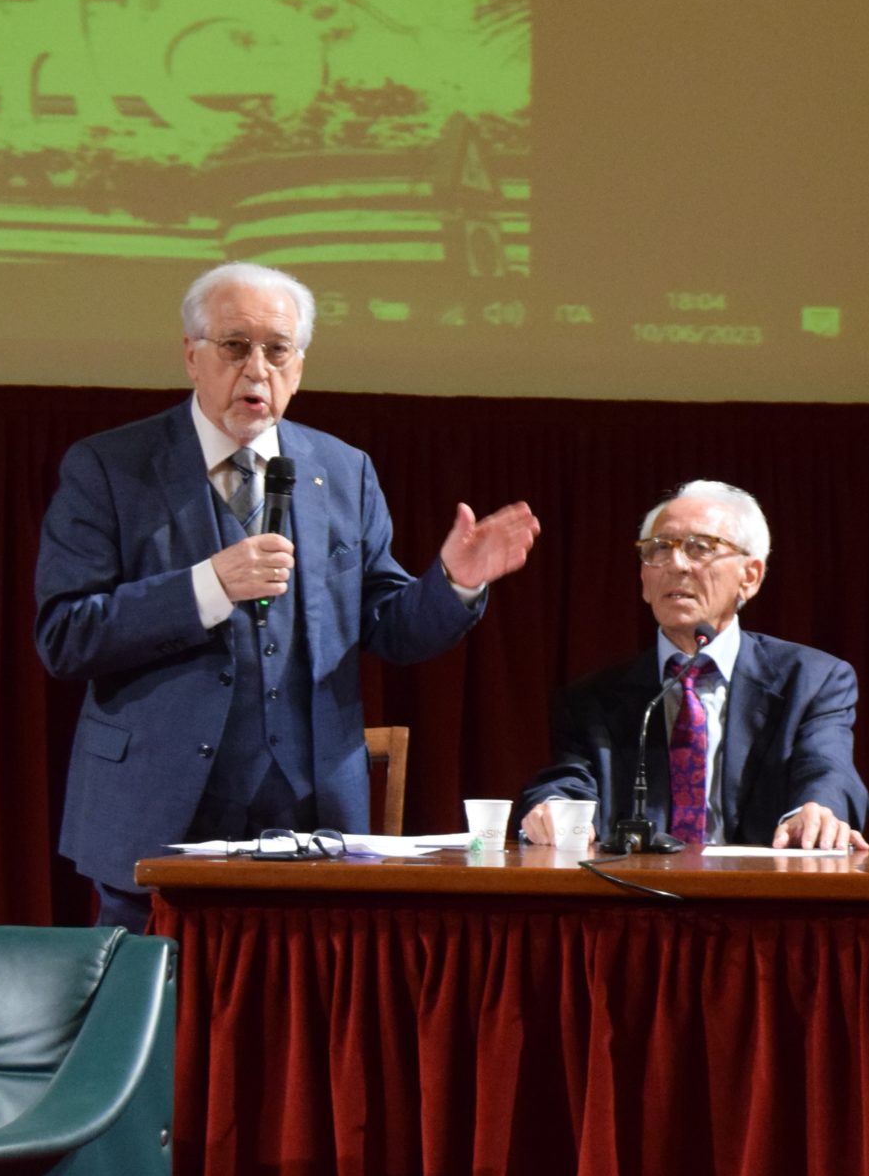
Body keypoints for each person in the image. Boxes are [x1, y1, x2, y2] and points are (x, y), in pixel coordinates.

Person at [35, 261, 540, 929]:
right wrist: (209, 585)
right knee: (154, 998)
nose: (257, 369)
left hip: (312, 820)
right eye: (234, 346)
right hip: (158, 815)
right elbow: (67, 634)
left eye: (277, 351)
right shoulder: (111, 467)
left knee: (311, 997)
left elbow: (389, 626)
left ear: (298, 367)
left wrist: (455, 581)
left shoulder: (343, 470)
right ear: (191, 355)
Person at [515, 481, 868, 851]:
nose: (676, 564)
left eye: (700, 548)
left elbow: (828, 768)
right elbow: (570, 780)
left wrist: (816, 809)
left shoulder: (812, 680)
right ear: (644, 579)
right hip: (636, 884)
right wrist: (553, 808)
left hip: (763, 881)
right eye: (659, 548)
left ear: (750, 576)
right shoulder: (592, 699)